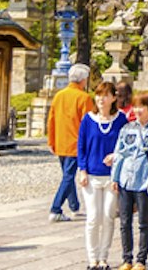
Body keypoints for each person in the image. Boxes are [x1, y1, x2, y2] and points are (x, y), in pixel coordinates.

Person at [111, 91, 148, 270]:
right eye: (135, 106)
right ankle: (126, 258)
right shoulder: (128, 128)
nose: (137, 110)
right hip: (126, 178)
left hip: (145, 180)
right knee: (124, 221)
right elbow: (119, 153)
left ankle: (141, 259)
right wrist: (115, 176)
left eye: (141, 107)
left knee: (144, 222)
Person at [77, 80, 128, 270]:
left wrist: (117, 156)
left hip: (112, 177)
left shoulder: (121, 119)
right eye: (98, 94)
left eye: (105, 95)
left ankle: (103, 257)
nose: (101, 99)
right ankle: (92, 259)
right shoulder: (88, 120)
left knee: (108, 216)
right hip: (91, 175)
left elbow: (128, 144)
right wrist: (82, 170)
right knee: (93, 217)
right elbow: (81, 146)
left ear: (113, 98)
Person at [48, 63, 96, 222]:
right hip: (76, 143)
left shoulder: (59, 95)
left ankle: (74, 205)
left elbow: (51, 120)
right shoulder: (84, 98)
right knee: (68, 177)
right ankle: (55, 208)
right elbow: (88, 124)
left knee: (67, 176)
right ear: (83, 80)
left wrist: (51, 140)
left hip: (60, 141)